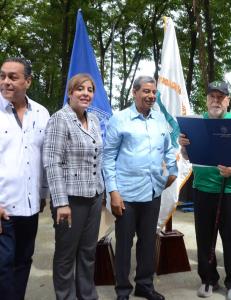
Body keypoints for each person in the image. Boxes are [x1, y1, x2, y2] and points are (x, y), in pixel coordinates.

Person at [103, 76, 177, 300]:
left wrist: (172, 172)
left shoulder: (160, 119)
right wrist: (113, 192)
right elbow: (107, 158)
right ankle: (122, 290)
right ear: (134, 92)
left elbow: (169, 148)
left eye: (154, 92)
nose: (151, 96)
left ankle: (144, 285)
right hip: (125, 193)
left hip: (152, 191)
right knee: (124, 244)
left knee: (147, 242)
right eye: (146, 91)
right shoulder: (120, 119)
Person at [179, 81, 231, 300]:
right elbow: (186, 156)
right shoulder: (195, 121)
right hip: (202, 188)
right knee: (204, 237)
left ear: (228, 100)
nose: (216, 101)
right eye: (212, 96)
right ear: (207, 99)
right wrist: (184, 145)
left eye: (221, 97)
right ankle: (208, 280)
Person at [43, 73, 104, 300]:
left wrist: (104, 192)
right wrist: (61, 203)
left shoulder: (95, 120)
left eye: (89, 90)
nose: (85, 94)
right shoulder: (60, 119)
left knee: (88, 252)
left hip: (94, 196)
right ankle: (66, 296)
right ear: (70, 93)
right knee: (66, 254)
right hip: (70, 200)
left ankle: (87, 295)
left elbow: (100, 156)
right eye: (80, 89)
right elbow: (52, 161)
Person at [0, 57, 50, 300]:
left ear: (28, 81)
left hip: (30, 208)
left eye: (13, 77)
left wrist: (42, 194)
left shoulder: (41, 113)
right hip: (3, 208)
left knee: (23, 261)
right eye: (2, 76)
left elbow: (44, 158)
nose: (6, 82)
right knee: (3, 265)